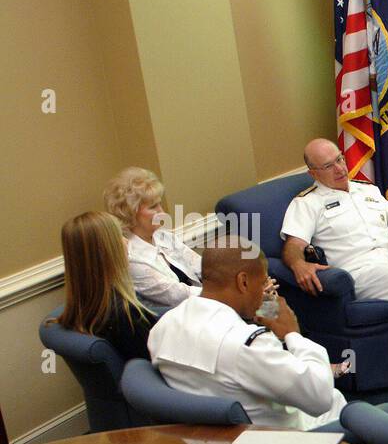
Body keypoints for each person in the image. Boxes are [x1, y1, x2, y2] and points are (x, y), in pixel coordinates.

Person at [148, 239, 346, 430]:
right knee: (338, 401)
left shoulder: (163, 327)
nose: (264, 293)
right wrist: (293, 335)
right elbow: (320, 397)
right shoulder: (248, 344)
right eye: (262, 284)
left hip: (209, 443)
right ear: (243, 282)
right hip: (280, 443)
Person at [281, 139, 388, 349]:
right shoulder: (307, 203)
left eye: (340, 159)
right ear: (313, 174)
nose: (339, 169)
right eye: (328, 166)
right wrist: (299, 264)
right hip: (361, 271)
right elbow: (293, 245)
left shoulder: (367, 190)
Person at [53, 212, 156, 361]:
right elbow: (160, 364)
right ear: (107, 251)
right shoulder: (126, 315)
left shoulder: (86, 308)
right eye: (119, 236)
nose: (126, 241)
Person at [104, 167, 203, 313]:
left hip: (203, 306)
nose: (162, 212)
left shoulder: (163, 236)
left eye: (159, 203)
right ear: (131, 212)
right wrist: (223, 294)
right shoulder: (131, 257)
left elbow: (202, 266)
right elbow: (176, 295)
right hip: (179, 321)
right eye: (153, 207)